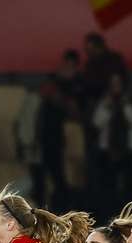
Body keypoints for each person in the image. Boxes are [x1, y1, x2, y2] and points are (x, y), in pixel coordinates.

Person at [33, 49, 84, 212]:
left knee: (61, 181)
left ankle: (61, 212)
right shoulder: (53, 83)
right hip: (46, 139)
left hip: (61, 142)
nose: (67, 69)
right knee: (42, 181)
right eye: (66, 65)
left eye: (71, 66)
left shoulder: (79, 86)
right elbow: (45, 96)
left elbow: (75, 111)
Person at [93, 74, 132, 219]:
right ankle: (111, 215)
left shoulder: (130, 101)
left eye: (118, 84)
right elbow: (97, 122)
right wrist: (108, 106)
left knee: (129, 185)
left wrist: (125, 105)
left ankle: (131, 215)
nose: (116, 88)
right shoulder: (104, 102)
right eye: (113, 84)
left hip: (129, 149)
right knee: (109, 186)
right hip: (108, 149)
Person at [82, 33, 128, 109]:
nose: (87, 51)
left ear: (99, 46)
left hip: (116, 98)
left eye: (89, 48)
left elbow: (118, 81)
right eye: (87, 48)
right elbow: (88, 85)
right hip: (96, 100)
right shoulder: (90, 63)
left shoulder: (114, 59)